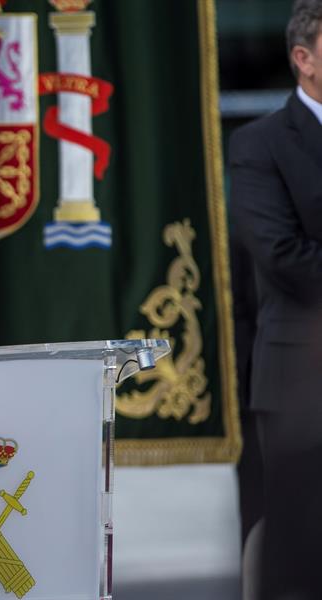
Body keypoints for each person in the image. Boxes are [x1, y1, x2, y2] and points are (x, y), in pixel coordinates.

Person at [228, 1, 322, 597]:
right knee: (305, 553)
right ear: (303, 59)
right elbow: (282, 255)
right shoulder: (259, 144)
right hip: (302, 386)